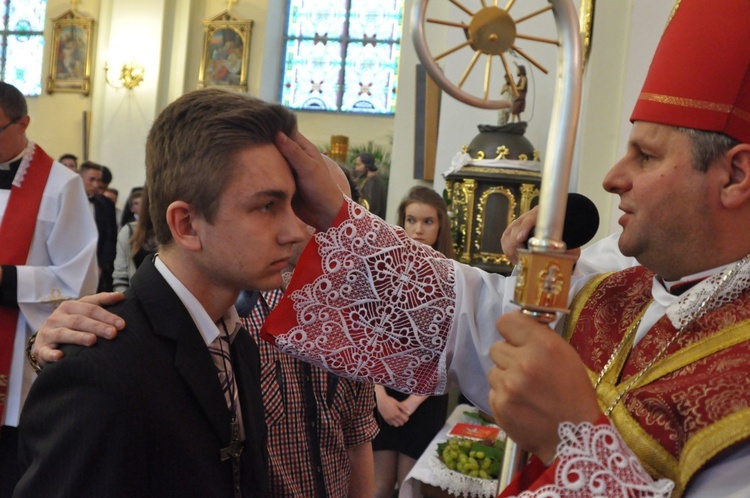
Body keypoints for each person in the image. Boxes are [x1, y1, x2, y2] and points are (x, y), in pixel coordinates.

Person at [14, 89, 316, 497]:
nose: (296, 231)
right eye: (267, 206)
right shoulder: (99, 368)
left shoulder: (235, 339)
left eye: (292, 204)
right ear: (187, 224)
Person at [0, 82, 98, 498]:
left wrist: (7, 280)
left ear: (23, 122)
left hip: (17, 355)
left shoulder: (61, 186)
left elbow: (78, 279)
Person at [373, 186, 454, 498]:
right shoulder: (382, 272)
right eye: (411, 220)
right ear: (402, 222)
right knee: (377, 487)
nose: (418, 229)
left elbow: (448, 348)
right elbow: (368, 342)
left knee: (411, 488)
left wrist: (411, 402)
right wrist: (380, 397)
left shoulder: (453, 276)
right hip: (382, 389)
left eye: (427, 221)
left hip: (425, 395)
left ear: (440, 226)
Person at [79, 161, 117, 292]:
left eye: (98, 180)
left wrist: (101, 264)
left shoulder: (106, 204)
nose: (96, 185)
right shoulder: (67, 200)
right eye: (91, 180)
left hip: (98, 264)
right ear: (80, 178)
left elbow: (110, 237)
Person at [112, 187, 156, 293]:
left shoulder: (169, 230)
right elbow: (121, 273)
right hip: (137, 294)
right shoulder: (129, 230)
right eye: (137, 203)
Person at [353, 152, 387, 218]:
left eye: (358, 165)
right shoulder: (370, 181)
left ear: (367, 166)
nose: (356, 169)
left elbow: (370, 209)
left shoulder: (374, 183)